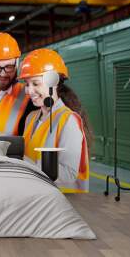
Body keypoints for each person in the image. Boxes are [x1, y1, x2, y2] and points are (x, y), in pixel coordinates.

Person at [18, 48, 92, 193]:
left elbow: (68, 174)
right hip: (36, 196)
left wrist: (24, 165)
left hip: (62, 203)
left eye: (35, 83)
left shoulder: (68, 120)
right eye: (27, 84)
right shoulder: (31, 117)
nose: (29, 91)